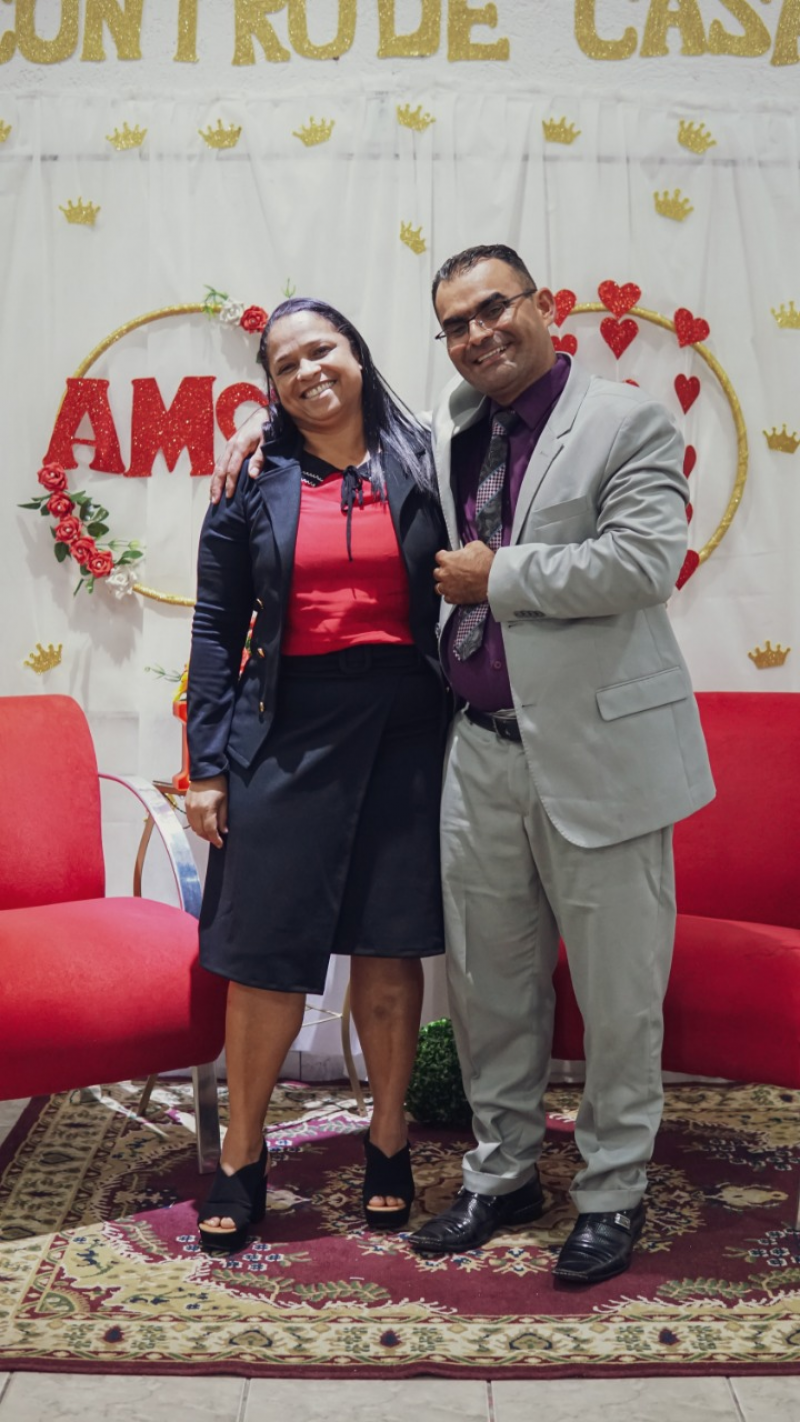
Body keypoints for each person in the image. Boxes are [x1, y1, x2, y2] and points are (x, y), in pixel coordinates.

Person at [211, 245, 715, 1286]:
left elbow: (645, 562)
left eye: (494, 309)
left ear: (542, 306)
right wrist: (257, 425)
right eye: (456, 323)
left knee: (617, 996)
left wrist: (501, 576)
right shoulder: (450, 426)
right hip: (472, 748)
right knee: (490, 990)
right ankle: (501, 1175)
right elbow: (324, 438)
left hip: (588, 752)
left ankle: (610, 1192)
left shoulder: (622, 422)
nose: (479, 333)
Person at [187, 296, 447, 1253]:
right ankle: (242, 1155)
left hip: (408, 727)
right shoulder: (253, 477)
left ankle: (388, 1139)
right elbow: (217, 627)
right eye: (285, 363)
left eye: (321, 349)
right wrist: (207, 767)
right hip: (285, 726)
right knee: (264, 950)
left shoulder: (427, 458)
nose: (307, 371)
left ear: (357, 353)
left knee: (388, 942)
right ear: (270, 385)